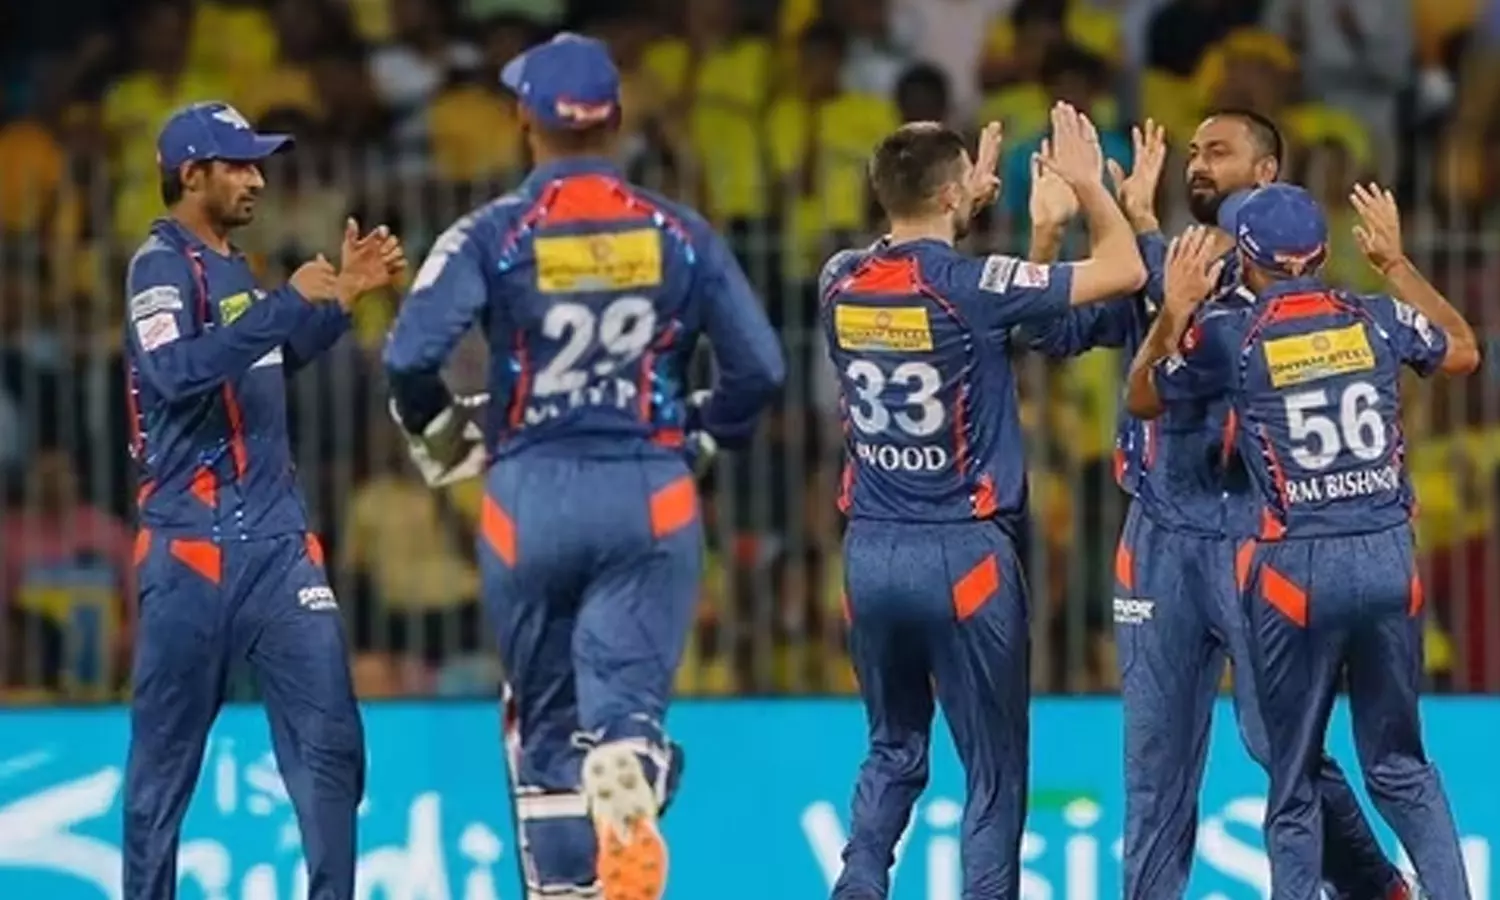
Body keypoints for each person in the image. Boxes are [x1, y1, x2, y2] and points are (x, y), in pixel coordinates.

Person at [382, 34, 785, 900]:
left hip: (527, 496)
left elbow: (409, 355)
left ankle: (566, 887)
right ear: (618, 120)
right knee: (626, 706)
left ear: (523, 119)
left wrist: (440, 431)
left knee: (544, 723)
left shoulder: (492, 233)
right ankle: (631, 762)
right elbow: (760, 370)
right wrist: (701, 434)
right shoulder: (680, 234)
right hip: (648, 489)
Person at [1022, 111, 1407, 898]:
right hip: (1157, 538)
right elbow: (1048, 334)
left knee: (1283, 748)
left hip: (1255, 537)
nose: (1197, 164)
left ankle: (1375, 889)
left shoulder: (1294, 291)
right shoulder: (1158, 264)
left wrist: (1131, 230)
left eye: (1218, 152)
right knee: (1154, 764)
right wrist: (1050, 233)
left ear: (1266, 175)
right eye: (1193, 152)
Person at [822, 103, 1147, 900]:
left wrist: (970, 208)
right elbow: (1124, 272)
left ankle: (859, 882)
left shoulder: (839, 279)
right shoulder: (974, 286)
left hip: (870, 551)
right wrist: (1086, 188)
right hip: (963, 553)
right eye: (967, 179)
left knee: (893, 748)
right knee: (994, 772)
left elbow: (947, 286)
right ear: (949, 195)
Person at [1124, 183, 1479, 900]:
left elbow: (1142, 396)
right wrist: (1396, 263)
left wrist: (1175, 310)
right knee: (1402, 769)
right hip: (1387, 554)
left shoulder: (1233, 336)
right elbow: (1464, 351)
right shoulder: (1377, 317)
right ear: (1321, 253)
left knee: (1292, 781)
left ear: (1247, 260)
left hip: (1297, 570)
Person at [122, 101, 404, 899]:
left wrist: (339, 303)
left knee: (333, 749)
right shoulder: (158, 266)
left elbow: (260, 364)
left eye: (258, 164)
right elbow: (174, 373)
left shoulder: (232, 267)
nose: (257, 180)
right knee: (161, 778)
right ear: (191, 174)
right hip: (192, 550)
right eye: (239, 165)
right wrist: (285, 305)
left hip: (280, 549)